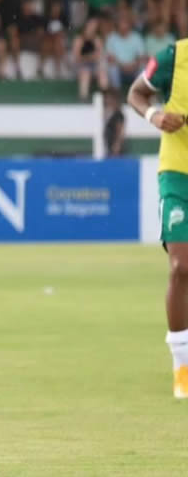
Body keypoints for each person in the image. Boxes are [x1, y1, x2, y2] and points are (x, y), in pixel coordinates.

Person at [127, 37, 188, 398]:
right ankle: (182, 366)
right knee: (181, 266)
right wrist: (156, 116)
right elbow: (136, 93)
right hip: (178, 174)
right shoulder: (174, 55)